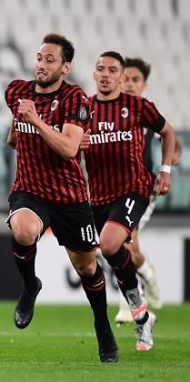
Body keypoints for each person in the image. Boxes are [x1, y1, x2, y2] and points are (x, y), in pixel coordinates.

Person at [4, 33, 118, 363]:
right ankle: (30, 287)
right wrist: (19, 127)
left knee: (86, 267)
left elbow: (69, 149)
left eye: (50, 60)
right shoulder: (16, 91)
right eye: (40, 57)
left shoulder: (75, 99)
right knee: (23, 230)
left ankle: (102, 324)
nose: (41, 64)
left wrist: (37, 120)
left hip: (69, 196)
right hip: (30, 189)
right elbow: (14, 137)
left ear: (65, 67)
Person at [80, 51, 177, 351]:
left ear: (121, 77)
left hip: (134, 189)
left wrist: (164, 172)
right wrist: (74, 145)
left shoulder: (136, 106)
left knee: (110, 245)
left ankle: (139, 307)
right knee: (113, 253)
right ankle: (142, 314)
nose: (105, 74)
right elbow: (68, 148)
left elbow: (168, 132)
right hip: (98, 195)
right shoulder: (83, 110)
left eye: (112, 70)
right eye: (100, 69)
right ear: (94, 75)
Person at [113, 57, 183, 324]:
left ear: (144, 85)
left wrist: (170, 161)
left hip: (142, 189)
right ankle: (149, 275)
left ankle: (127, 306)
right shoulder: (107, 111)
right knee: (131, 250)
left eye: (135, 80)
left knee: (122, 244)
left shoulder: (145, 112)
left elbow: (170, 136)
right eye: (126, 78)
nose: (129, 84)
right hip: (111, 189)